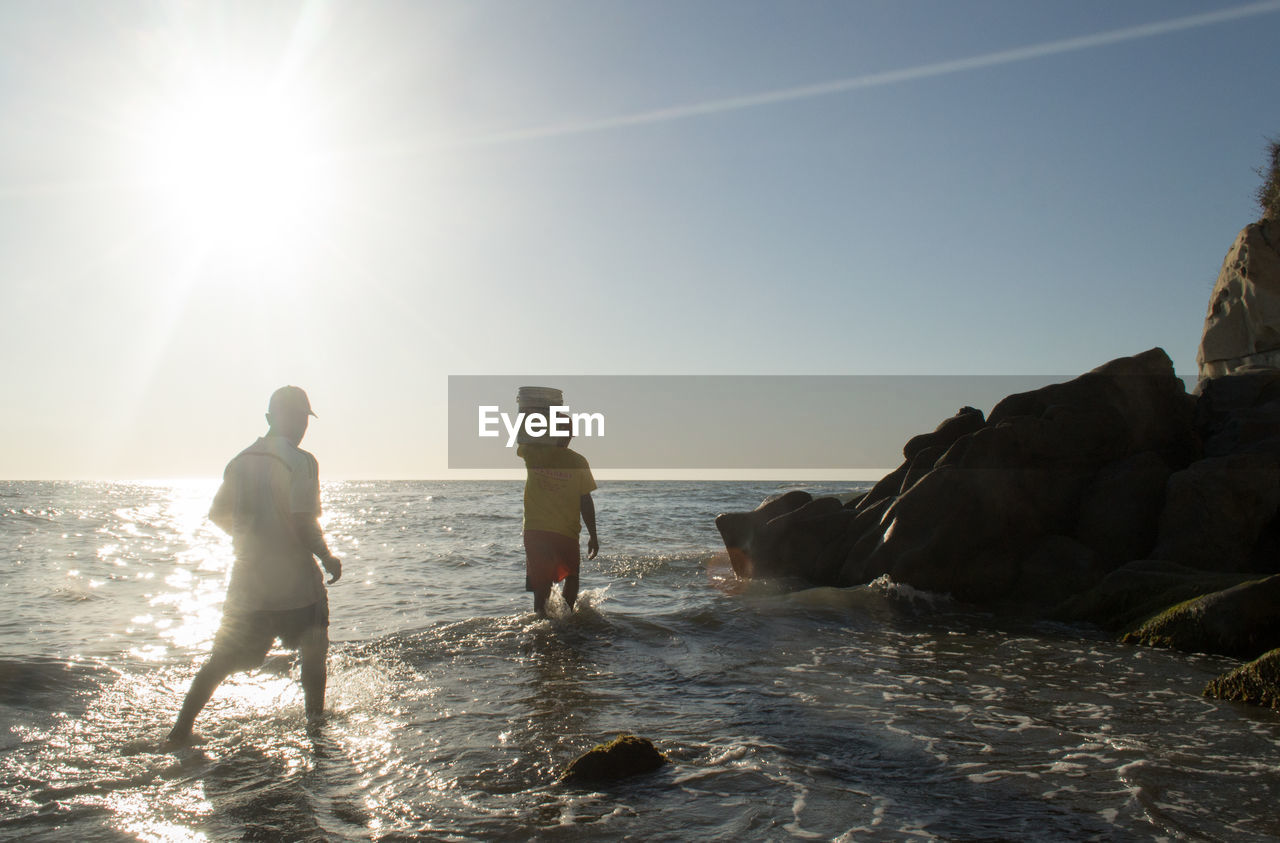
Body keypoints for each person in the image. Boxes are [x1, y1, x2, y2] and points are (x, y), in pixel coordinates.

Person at [166, 386, 342, 744]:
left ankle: (180, 731)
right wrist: (326, 556)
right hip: (295, 584)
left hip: (247, 585)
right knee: (313, 651)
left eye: (302, 419)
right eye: (295, 417)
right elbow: (304, 520)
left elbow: (217, 514)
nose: (299, 425)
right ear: (271, 419)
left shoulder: (239, 460)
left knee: (222, 660)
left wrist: (250, 540)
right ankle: (315, 727)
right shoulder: (302, 461)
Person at [518, 430, 599, 616]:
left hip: (536, 530)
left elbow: (520, 434)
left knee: (543, 582)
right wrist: (593, 535)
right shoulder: (578, 461)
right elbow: (585, 501)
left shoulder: (533, 452)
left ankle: (542, 623)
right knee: (571, 577)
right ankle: (566, 620)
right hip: (564, 533)